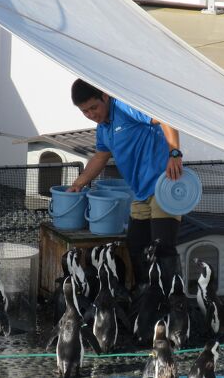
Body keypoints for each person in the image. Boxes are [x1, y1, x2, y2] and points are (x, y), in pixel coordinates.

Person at [67, 79, 183, 292]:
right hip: (140, 194)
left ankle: (171, 304)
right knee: (136, 246)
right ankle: (145, 295)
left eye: (94, 107)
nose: (92, 114)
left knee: (162, 248)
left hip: (163, 187)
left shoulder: (126, 107)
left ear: (105, 96)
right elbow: (100, 157)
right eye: (85, 112)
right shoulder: (103, 129)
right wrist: (78, 184)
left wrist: (174, 152)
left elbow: (166, 118)